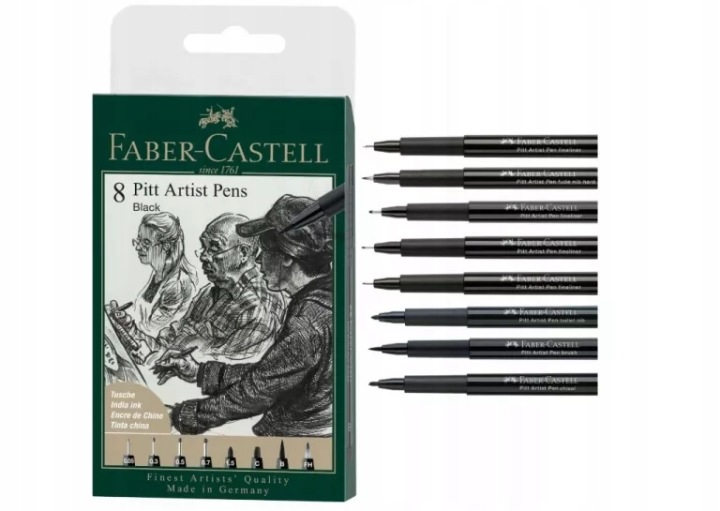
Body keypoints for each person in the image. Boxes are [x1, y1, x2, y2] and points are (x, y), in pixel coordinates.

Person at [154, 194, 334, 437]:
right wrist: (200, 372)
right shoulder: (328, 300)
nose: (257, 260)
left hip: (294, 440)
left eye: (265, 250)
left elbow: (257, 391)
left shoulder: (307, 321)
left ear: (287, 257)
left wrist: (180, 416)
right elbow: (272, 373)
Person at [125, 213, 287, 364]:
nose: (203, 256)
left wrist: (161, 356)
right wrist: (131, 332)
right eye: (204, 246)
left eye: (214, 247)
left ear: (243, 253)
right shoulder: (208, 292)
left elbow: (222, 369)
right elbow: (169, 346)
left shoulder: (260, 305)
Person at [131, 212, 198, 338]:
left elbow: (153, 329)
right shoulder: (158, 273)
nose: (138, 247)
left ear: (166, 246)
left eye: (146, 243)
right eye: (139, 240)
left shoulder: (175, 284)